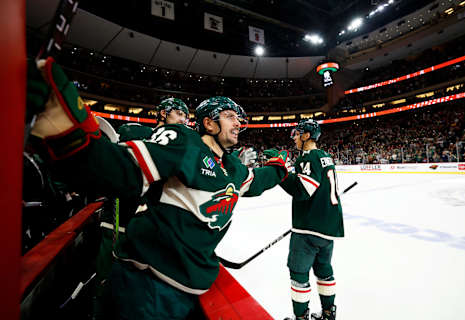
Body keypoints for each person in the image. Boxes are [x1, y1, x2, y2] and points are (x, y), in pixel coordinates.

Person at [27, 57, 289, 319]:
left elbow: (256, 182)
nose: (237, 123)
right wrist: (64, 129)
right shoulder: (185, 141)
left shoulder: (233, 167)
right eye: (229, 116)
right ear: (209, 123)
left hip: (188, 289)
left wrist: (279, 167)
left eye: (238, 118)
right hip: (146, 284)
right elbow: (122, 169)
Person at [92, 98, 190, 319]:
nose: (184, 119)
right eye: (179, 114)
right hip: (120, 222)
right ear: (163, 114)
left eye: (186, 116)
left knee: (135, 294)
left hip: (151, 232)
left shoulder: (181, 146)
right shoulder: (136, 131)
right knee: (107, 283)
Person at [276, 119, 344, 320]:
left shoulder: (307, 158)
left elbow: (302, 190)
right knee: (324, 272)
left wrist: (280, 173)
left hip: (308, 229)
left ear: (306, 136)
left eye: (297, 134)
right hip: (328, 229)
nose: (295, 138)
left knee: (298, 274)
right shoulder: (326, 156)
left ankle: (301, 318)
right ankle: (328, 313)